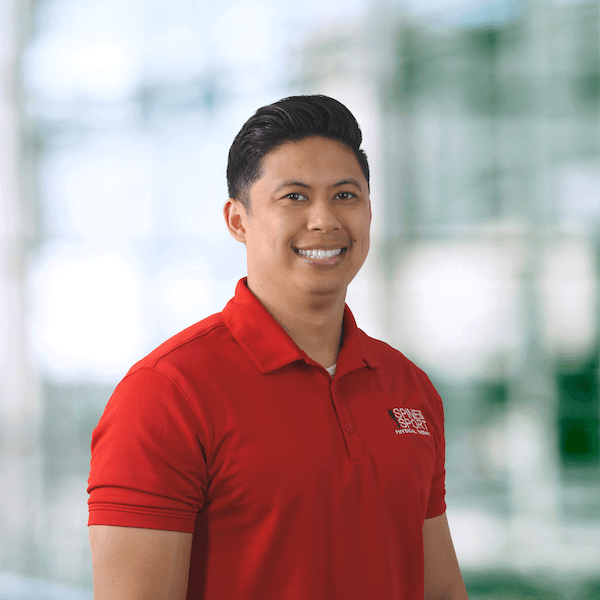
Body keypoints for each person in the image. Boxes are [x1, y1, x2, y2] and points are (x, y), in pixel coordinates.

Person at [87, 94, 469, 600]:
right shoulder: (165, 395)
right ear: (238, 220)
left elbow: (440, 590)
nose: (324, 220)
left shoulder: (408, 386)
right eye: (294, 197)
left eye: (346, 196)